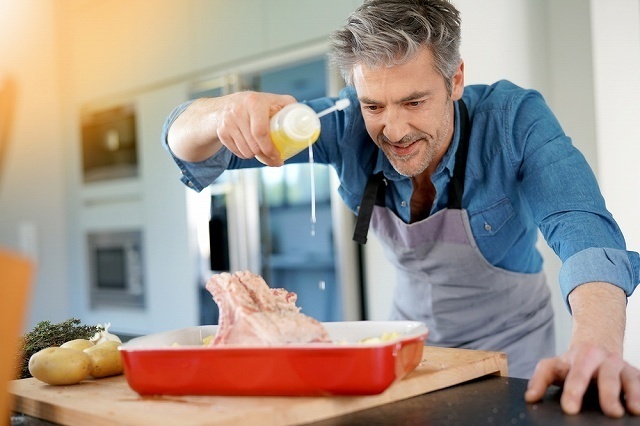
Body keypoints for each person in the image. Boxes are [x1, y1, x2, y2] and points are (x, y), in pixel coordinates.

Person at [162, 0, 640, 418]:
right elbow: (189, 148)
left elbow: (581, 226)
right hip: (412, 349)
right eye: (374, 106)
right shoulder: (344, 121)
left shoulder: (513, 120)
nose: (392, 130)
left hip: (512, 351)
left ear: (455, 79)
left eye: (413, 101)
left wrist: (595, 344)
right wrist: (217, 113)